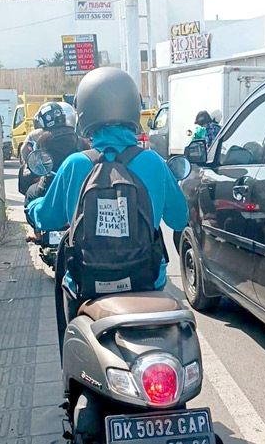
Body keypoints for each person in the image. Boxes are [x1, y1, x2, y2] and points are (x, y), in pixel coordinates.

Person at [26, 68, 189, 355]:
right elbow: (179, 218)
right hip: (147, 280)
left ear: (85, 114)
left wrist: (32, 206)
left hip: (86, 284)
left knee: (73, 338)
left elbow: (47, 217)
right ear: (132, 111)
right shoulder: (152, 162)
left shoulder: (75, 164)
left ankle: (70, 388)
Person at [23, 101, 88, 205]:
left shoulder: (42, 140)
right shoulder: (78, 138)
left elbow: (35, 164)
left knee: (30, 193)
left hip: (51, 184)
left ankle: (36, 219)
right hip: (78, 184)